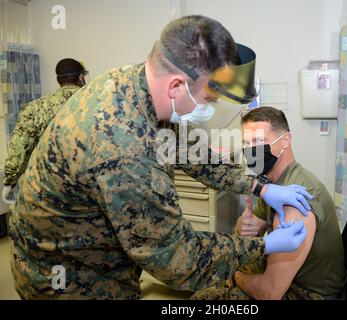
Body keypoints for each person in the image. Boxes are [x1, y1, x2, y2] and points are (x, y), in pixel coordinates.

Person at [9, 16, 311, 300]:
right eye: (207, 99)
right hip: (69, 276)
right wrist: (264, 245)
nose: (206, 107)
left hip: (96, 254)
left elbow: (195, 155)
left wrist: (261, 188)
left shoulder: (137, 85)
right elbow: (179, 260)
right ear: (177, 85)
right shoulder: (124, 150)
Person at [192, 107, 347, 300]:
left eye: (258, 141)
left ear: (285, 141)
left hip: (304, 294)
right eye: (246, 143)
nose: (251, 150)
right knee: (215, 275)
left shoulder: (297, 199)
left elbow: (270, 293)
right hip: (285, 281)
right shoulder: (274, 186)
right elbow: (250, 230)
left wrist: (237, 276)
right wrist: (244, 225)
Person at [1, 58, 88, 205]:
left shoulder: (35, 108)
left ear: (58, 80)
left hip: (46, 192)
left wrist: (10, 181)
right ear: (81, 77)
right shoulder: (94, 105)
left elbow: (19, 152)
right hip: (86, 193)